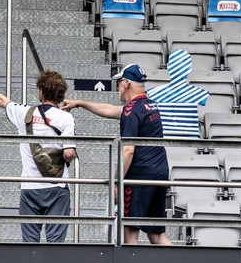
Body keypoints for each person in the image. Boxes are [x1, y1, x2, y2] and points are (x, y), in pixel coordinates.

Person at [62, 64, 172, 245]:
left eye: (119, 83)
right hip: (159, 174)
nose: (118, 88)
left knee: (130, 231)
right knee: (156, 233)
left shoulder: (132, 110)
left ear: (127, 83)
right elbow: (112, 110)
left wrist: (116, 180)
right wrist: (80, 103)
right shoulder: (149, 105)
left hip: (139, 177)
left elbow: (128, 150)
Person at [0, 71, 76, 243]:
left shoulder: (25, 113)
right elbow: (69, 154)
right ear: (61, 94)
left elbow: (3, 101)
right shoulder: (66, 118)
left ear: (41, 91)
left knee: (30, 245)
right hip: (57, 188)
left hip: (30, 188)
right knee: (56, 245)